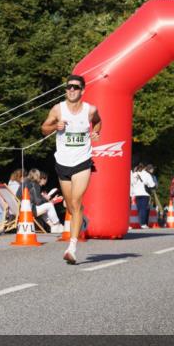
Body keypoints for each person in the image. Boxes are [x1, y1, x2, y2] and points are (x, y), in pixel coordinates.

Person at [41, 74, 101, 264]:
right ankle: (80, 217)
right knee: (71, 205)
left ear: (82, 90)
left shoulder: (90, 110)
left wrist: (96, 131)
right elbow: (44, 129)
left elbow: (98, 121)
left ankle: (72, 248)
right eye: (69, 87)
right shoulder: (58, 109)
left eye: (75, 87)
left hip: (82, 161)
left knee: (75, 200)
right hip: (62, 162)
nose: (72, 90)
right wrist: (54, 126)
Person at [24, 169, 63, 233]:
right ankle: (57, 225)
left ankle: (53, 226)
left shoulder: (27, 183)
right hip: (30, 209)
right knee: (49, 205)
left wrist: (45, 199)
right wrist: (46, 199)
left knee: (45, 208)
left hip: (24, 208)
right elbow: (38, 201)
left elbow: (35, 199)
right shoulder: (35, 184)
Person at [131, 163, 155, 228]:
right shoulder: (147, 174)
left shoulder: (134, 174)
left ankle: (139, 223)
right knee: (143, 209)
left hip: (136, 194)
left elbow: (132, 183)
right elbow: (152, 184)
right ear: (144, 168)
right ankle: (143, 224)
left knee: (139, 209)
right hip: (145, 194)